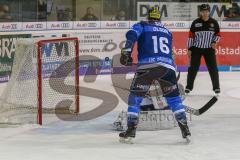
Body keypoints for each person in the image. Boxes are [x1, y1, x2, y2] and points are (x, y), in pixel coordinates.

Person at [119, 6, 191, 143]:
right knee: (174, 100)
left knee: (135, 97)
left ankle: (131, 130)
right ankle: (185, 130)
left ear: (149, 17)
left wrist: (126, 51)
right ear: (159, 18)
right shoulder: (167, 31)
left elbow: (131, 34)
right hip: (168, 68)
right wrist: (172, 70)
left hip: (148, 66)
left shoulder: (143, 25)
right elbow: (170, 54)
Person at [186, 4, 221, 95]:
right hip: (196, 49)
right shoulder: (195, 22)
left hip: (209, 50)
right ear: (200, 12)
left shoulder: (214, 23)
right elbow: (191, 37)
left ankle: (216, 88)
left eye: (206, 11)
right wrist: (189, 49)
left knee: (213, 68)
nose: (205, 13)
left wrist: (214, 42)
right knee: (193, 68)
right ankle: (188, 87)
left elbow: (218, 35)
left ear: (209, 12)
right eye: (203, 11)